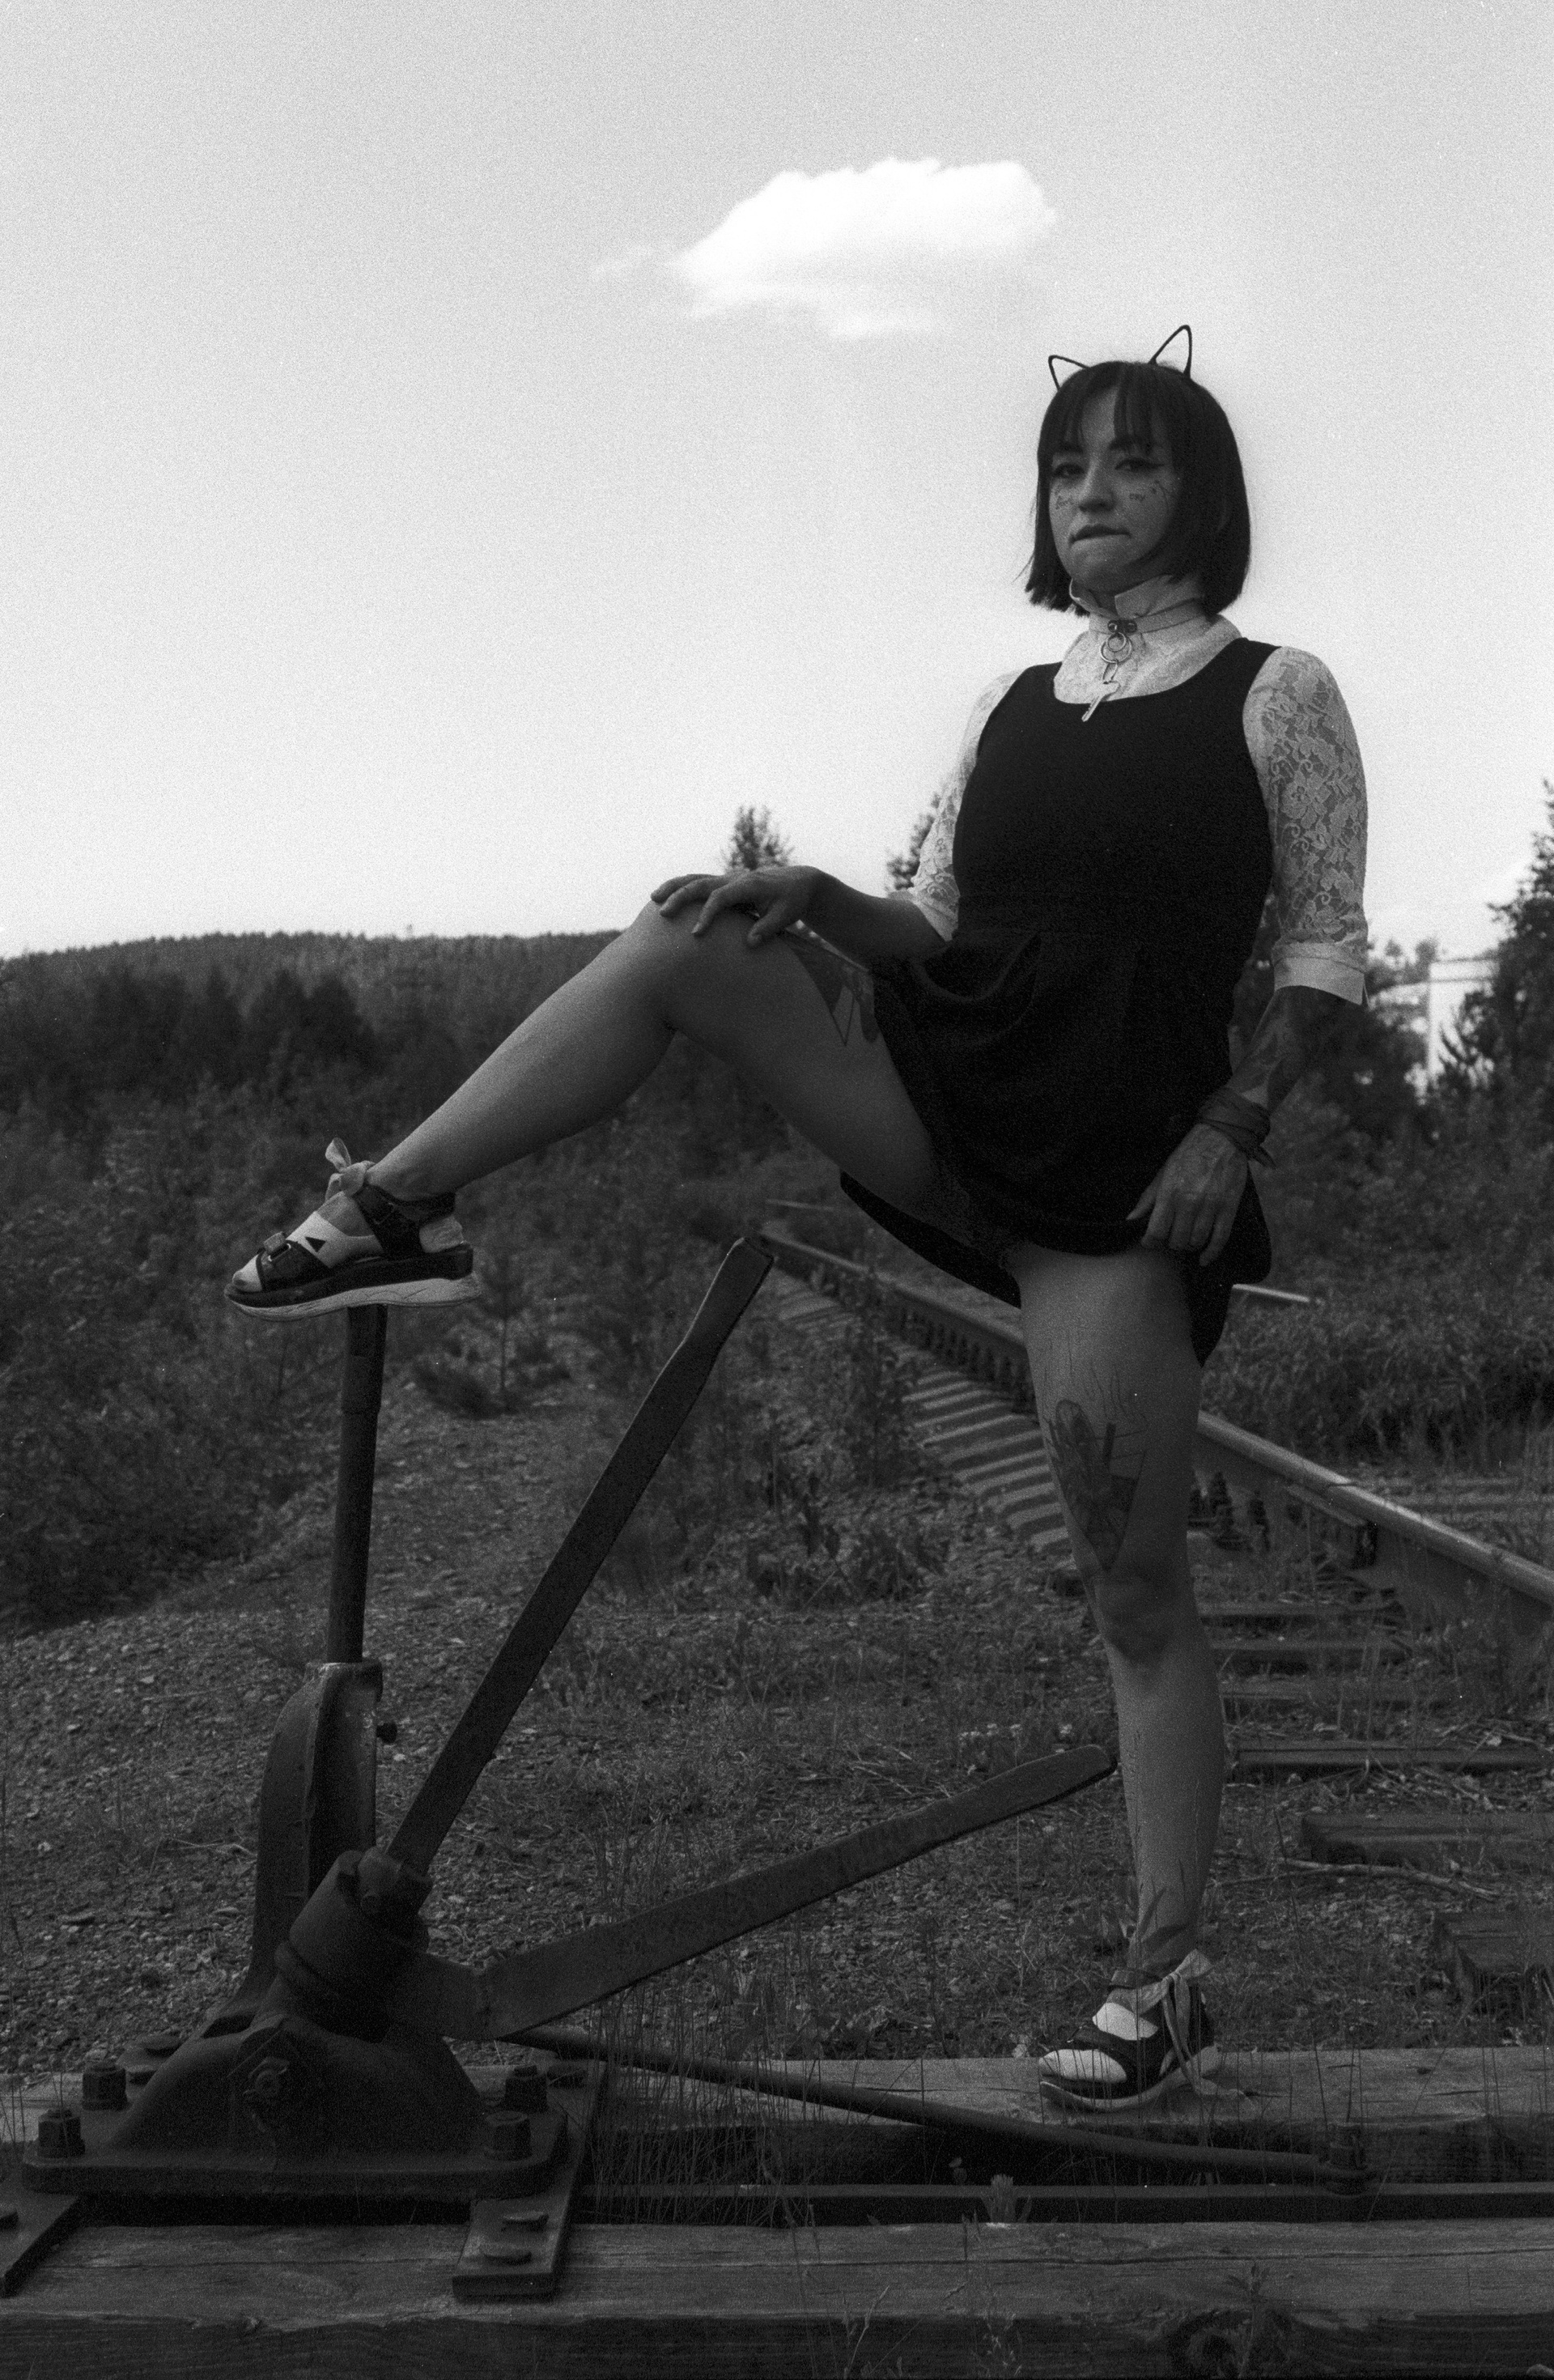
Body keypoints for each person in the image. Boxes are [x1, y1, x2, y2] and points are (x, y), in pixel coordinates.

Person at [228, 330, 1367, 2110]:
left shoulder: (1277, 694)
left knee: (1137, 1590)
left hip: (1115, 1179)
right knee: (688, 934)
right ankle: (397, 1201)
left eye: (1132, 462)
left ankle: (1165, 1985)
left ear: (1200, 493)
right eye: (1067, 464)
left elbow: (1324, 954)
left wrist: (1236, 1125)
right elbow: (935, 926)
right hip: (952, 1083)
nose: (1090, 492)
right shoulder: (1012, 702)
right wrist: (818, 892)